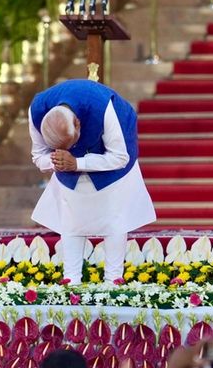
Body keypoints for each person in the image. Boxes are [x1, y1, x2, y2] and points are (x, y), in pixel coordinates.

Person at [29, 79, 156, 284]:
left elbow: (120, 158)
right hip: (68, 168)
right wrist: (56, 161)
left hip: (115, 163)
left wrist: (77, 163)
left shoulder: (105, 108)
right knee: (71, 220)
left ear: (78, 124)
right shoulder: (37, 110)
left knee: (114, 219)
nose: (73, 149)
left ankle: (113, 280)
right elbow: (38, 156)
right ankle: (71, 280)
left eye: (73, 144)